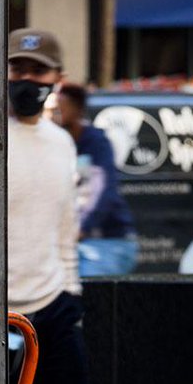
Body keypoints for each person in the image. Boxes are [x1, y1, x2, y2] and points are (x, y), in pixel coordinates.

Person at [7, 28, 94, 384]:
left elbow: (66, 232)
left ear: (57, 78)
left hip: (53, 314)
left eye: (37, 70)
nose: (25, 78)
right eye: (17, 67)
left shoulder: (63, 144)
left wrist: (72, 300)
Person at [56, 82, 139, 276]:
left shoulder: (95, 143)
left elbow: (100, 190)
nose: (54, 114)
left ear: (77, 111)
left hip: (105, 242)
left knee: (87, 294)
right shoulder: (55, 142)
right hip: (71, 242)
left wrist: (81, 229)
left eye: (60, 108)